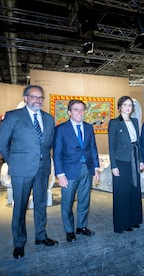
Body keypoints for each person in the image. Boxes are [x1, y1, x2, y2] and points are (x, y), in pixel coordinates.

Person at [0, 85, 58, 259]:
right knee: (20, 207)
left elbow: (48, 144)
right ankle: (19, 243)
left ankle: (41, 236)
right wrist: (13, 162)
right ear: (25, 98)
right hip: (21, 170)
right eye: (33, 97)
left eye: (40, 97)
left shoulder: (48, 118)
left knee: (40, 204)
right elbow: (1, 144)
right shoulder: (13, 116)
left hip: (42, 169)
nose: (37, 100)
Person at [53, 99, 100, 242]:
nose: (80, 112)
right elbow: (57, 153)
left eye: (81, 109)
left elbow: (93, 148)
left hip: (86, 169)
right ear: (69, 112)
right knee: (67, 203)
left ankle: (81, 227)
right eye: (76, 109)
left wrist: (96, 168)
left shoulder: (88, 127)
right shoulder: (61, 129)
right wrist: (60, 175)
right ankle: (69, 230)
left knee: (84, 200)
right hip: (68, 172)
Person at [108, 96, 143, 232]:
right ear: (119, 107)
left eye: (130, 105)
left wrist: (140, 160)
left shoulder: (134, 121)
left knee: (134, 190)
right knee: (122, 193)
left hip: (134, 159)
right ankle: (122, 223)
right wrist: (113, 166)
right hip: (121, 162)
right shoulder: (114, 123)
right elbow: (111, 146)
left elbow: (138, 143)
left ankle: (134, 220)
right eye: (125, 105)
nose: (128, 107)